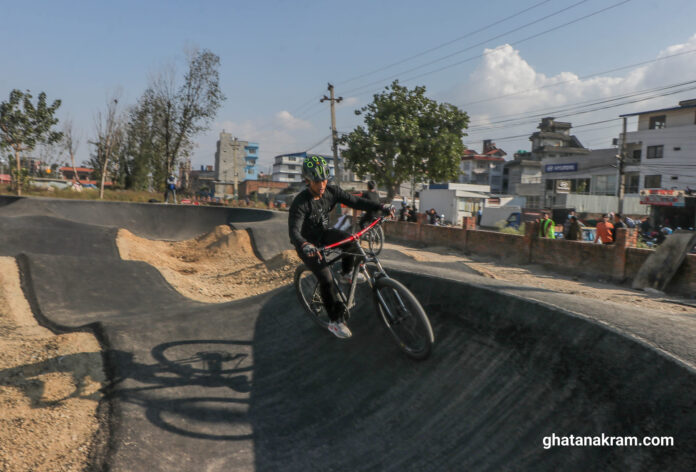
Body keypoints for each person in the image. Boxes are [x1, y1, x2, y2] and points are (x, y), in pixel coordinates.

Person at [289, 155, 392, 339]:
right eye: (317, 181)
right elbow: (294, 231)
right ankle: (335, 321)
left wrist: (381, 207)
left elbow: (357, 202)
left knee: (349, 239)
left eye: (324, 180)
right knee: (326, 280)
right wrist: (304, 245)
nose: (322, 185)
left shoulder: (332, 191)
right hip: (307, 245)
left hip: (323, 234)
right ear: (307, 181)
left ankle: (346, 273)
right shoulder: (300, 203)